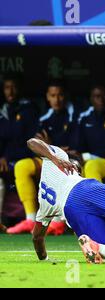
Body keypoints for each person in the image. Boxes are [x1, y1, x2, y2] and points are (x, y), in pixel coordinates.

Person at [7, 81, 78, 235]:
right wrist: (51, 148)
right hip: (50, 159)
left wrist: (51, 145)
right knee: (22, 166)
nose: (57, 99)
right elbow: (37, 146)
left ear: (65, 96)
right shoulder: (45, 118)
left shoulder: (75, 114)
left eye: (59, 95)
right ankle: (31, 219)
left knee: (63, 167)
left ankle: (59, 222)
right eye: (53, 95)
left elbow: (74, 146)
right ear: (47, 97)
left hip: (72, 160)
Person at [0, 76, 40, 233]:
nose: (10, 91)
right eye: (6, 87)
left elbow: (30, 141)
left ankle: (32, 219)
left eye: (13, 86)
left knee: (22, 167)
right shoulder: (2, 111)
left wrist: (7, 157)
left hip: (25, 157)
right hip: (7, 160)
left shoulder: (29, 109)